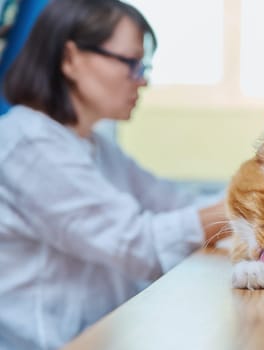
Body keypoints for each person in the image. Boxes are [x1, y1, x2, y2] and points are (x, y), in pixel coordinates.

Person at [0, 0, 229, 348]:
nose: (143, 81)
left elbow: (174, 202)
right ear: (70, 59)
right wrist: (247, 206)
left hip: (106, 334)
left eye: (145, 66)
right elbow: (139, 244)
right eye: (131, 63)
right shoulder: (28, 145)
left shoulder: (94, 147)